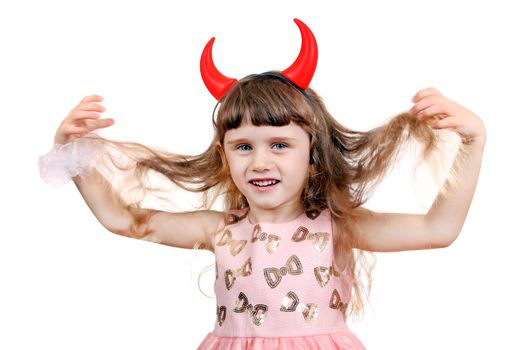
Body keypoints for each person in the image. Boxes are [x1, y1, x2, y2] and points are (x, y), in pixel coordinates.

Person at [39, 18, 486, 349]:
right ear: (224, 157)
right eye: (244, 147)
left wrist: (473, 140)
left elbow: (437, 230)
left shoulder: (338, 228)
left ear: (313, 156)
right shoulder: (221, 231)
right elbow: (124, 219)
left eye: (279, 144)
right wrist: (69, 151)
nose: (260, 161)